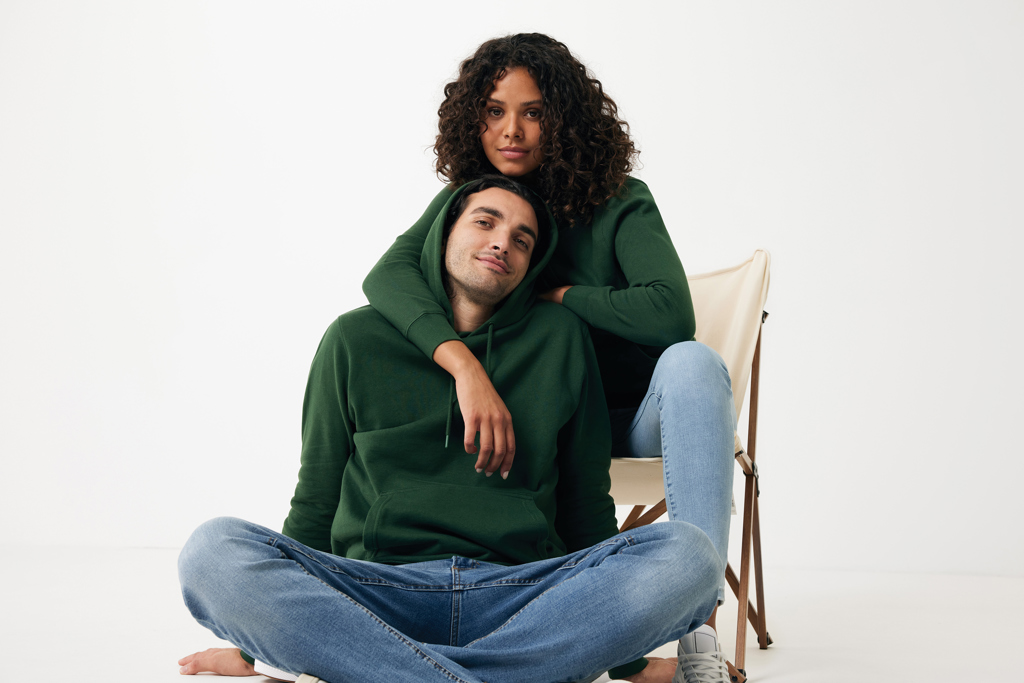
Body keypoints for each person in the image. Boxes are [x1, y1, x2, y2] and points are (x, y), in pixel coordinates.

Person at [177, 177, 722, 683]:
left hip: (525, 598)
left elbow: (585, 506)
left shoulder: (560, 338)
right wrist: (253, 646)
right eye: (485, 222)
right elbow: (315, 502)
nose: (502, 242)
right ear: (443, 233)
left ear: (531, 265)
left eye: (523, 240)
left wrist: (627, 662)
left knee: (691, 557)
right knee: (212, 552)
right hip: (377, 593)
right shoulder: (353, 339)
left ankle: (385, 670)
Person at [362, 34, 737, 683]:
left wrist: (562, 295)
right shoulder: (473, 202)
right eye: (495, 110)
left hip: (627, 419)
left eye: (532, 112)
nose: (511, 130)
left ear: (563, 119)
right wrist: (463, 366)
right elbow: (388, 275)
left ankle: (697, 625)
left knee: (692, 363)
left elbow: (669, 314)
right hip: (532, 425)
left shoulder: (619, 199)